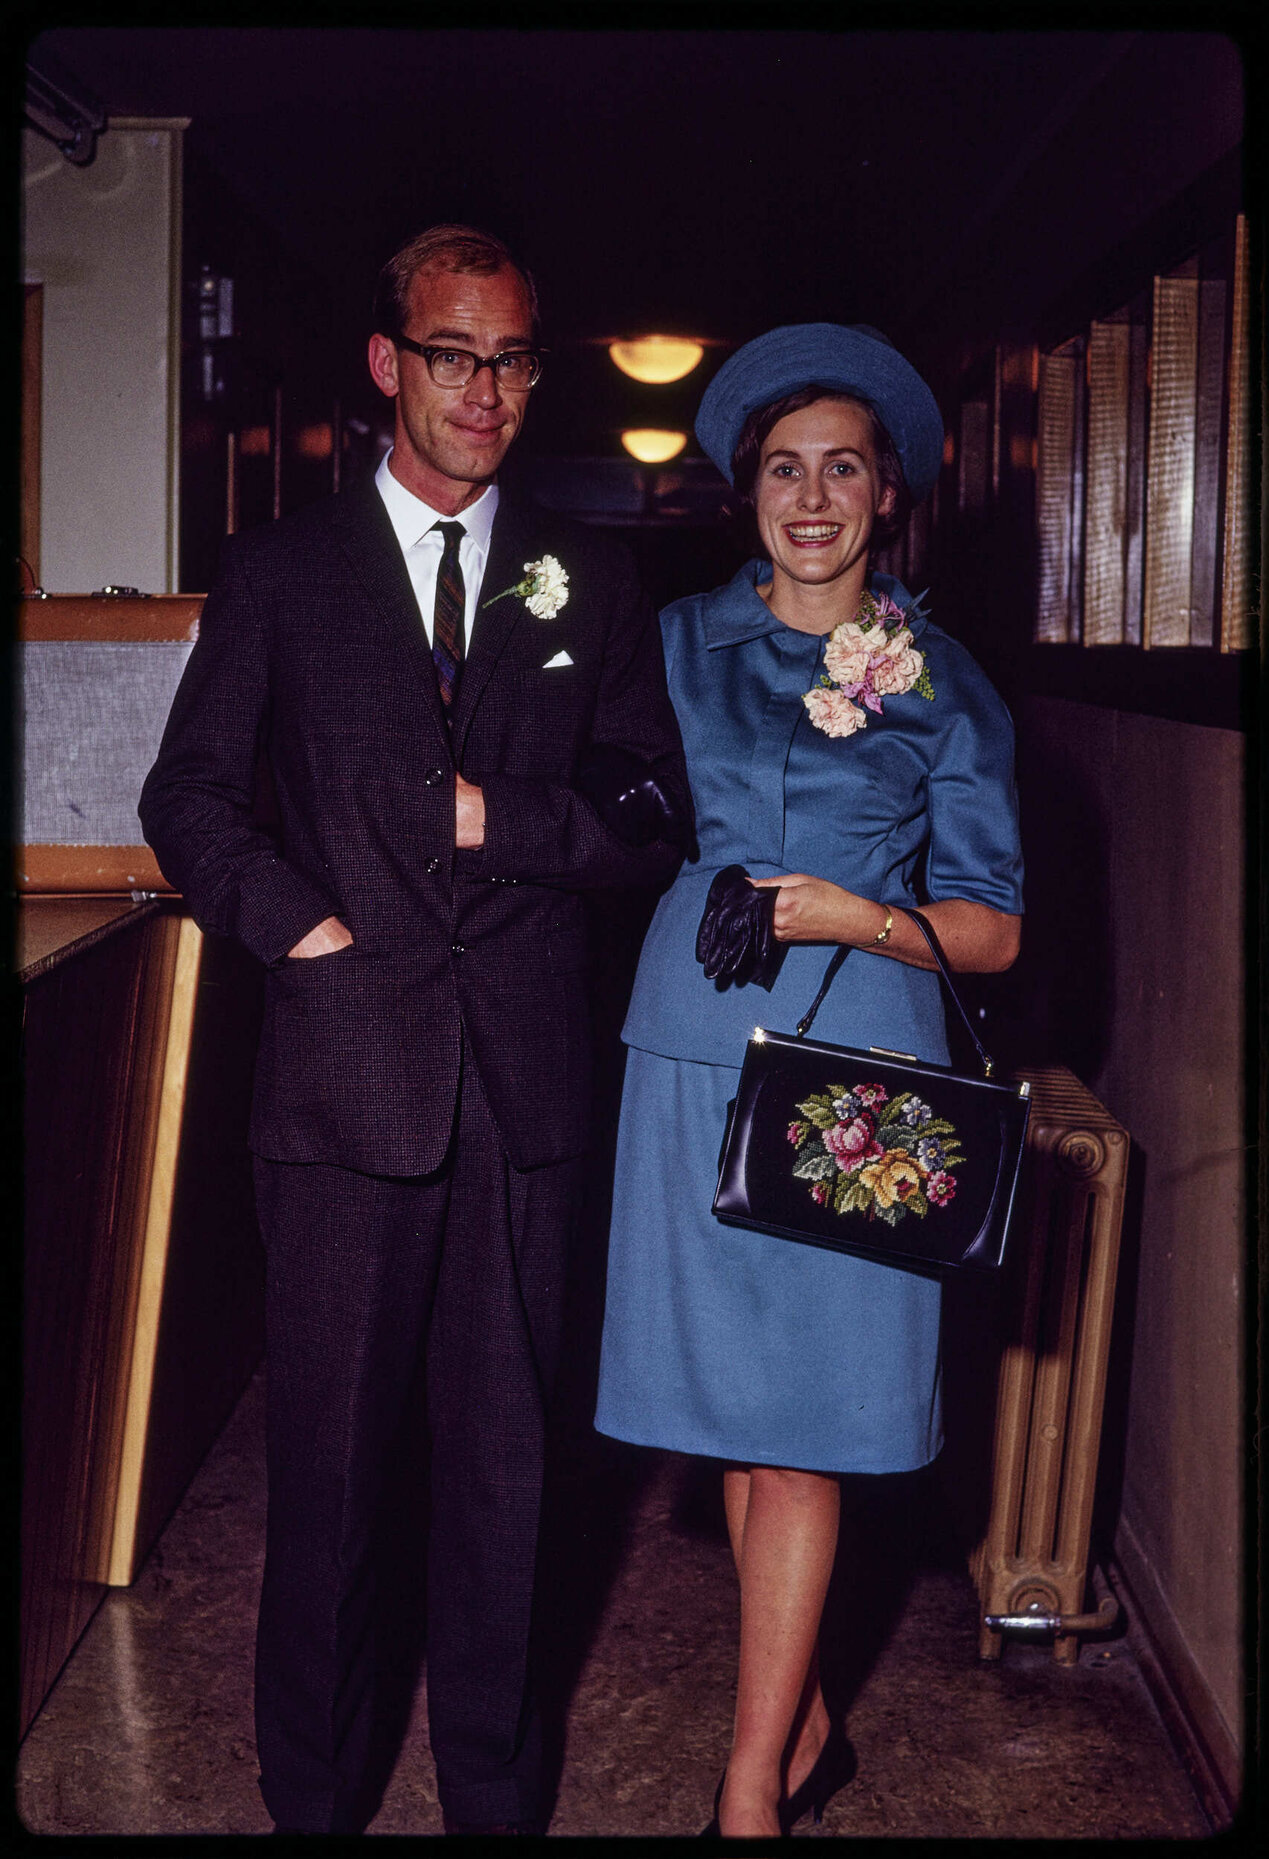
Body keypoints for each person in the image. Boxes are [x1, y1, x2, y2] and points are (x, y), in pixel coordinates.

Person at [139, 223, 688, 1837]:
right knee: (328, 1488)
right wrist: (288, 923)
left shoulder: (593, 575)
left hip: (522, 1100)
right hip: (338, 1093)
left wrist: (499, 818)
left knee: (508, 1488)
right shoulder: (281, 576)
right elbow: (185, 796)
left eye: (514, 358)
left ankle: (495, 1807)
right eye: (453, 356)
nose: (487, 392)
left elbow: (649, 807)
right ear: (390, 366)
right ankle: (313, 1802)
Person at [594, 324, 1024, 1838]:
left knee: (807, 1432)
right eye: (784, 468)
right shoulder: (667, 647)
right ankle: (806, 1724)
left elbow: (991, 926)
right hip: (692, 1051)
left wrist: (857, 914)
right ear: (746, 494)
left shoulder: (944, 681)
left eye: (842, 465)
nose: (812, 495)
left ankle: (743, 1794)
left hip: (864, 1079)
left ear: (887, 492)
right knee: (737, 1420)